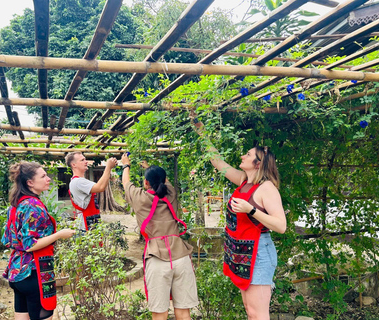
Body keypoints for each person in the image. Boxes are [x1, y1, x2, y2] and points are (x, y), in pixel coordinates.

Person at [191, 116, 286, 320]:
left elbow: (281, 225)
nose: (243, 156)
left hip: (259, 253)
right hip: (243, 254)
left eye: (248, 154)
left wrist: (250, 209)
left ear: (258, 163)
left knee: (258, 314)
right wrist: (201, 130)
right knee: (250, 312)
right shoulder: (244, 180)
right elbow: (217, 161)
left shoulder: (266, 188)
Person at [121, 154, 198, 320]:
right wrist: (149, 167)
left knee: (159, 314)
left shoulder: (140, 198)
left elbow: (126, 183)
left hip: (156, 258)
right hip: (180, 256)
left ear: (146, 182)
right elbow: (165, 180)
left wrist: (126, 165)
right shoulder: (171, 193)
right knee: (184, 313)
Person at [1, 161, 76, 320]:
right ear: (30, 183)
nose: (48, 179)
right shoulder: (34, 206)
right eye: (43, 176)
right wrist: (59, 234)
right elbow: (31, 245)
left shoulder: (16, 204)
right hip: (35, 273)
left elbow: (7, 239)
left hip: (17, 272)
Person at [65, 152, 118, 231]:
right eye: (82, 160)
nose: (86, 162)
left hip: (89, 219)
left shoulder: (78, 181)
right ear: (74, 165)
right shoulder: (78, 182)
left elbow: (101, 185)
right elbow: (100, 187)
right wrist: (108, 167)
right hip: (85, 224)